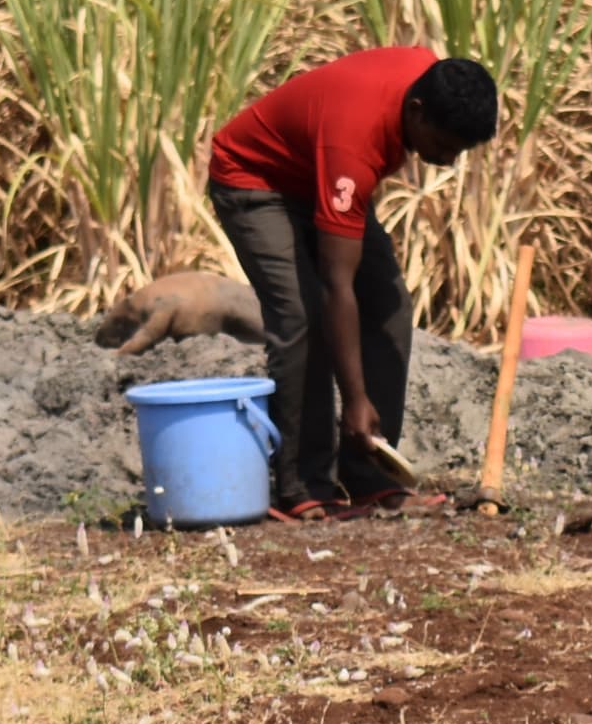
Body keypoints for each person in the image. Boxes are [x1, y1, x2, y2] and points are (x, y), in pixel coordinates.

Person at [204, 46, 500, 517]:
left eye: (459, 151)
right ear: (417, 111)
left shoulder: (428, 76)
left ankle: (372, 474)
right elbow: (336, 286)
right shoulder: (354, 144)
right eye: (444, 146)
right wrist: (356, 399)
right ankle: (302, 486)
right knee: (302, 319)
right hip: (256, 180)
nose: (447, 161)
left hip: (316, 173)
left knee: (387, 303)